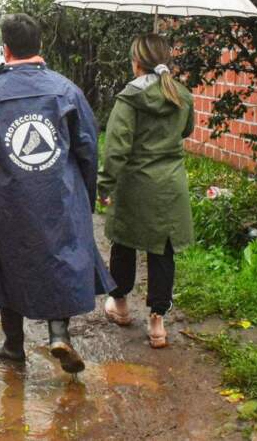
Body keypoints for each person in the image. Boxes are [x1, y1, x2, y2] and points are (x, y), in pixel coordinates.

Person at [0, 14, 113, 374]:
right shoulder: (67, 90)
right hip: (60, 194)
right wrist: (86, 196)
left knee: (7, 262)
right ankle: (59, 333)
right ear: (40, 45)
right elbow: (88, 148)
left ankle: (13, 345)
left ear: (5, 49)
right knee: (60, 256)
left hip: (7, 199)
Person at [98, 33, 194, 349]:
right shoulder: (182, 94)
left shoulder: (130, 97)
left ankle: (121, 306)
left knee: (124, 242)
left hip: (135, 185)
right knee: (162, 250)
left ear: (136, 62)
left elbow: (116, 148)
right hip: (170, 187)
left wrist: (104, 185)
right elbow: (187, 129)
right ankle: (157, 324)